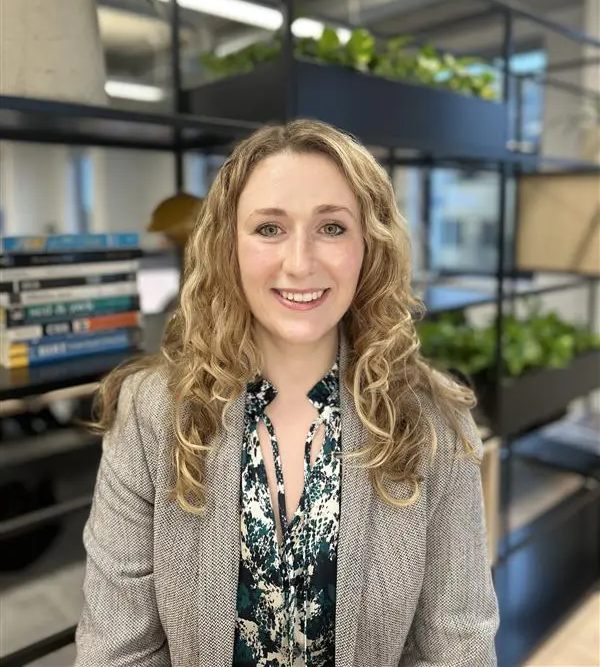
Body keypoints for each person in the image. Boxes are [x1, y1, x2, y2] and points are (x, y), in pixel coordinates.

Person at [75, 119, 499, 667]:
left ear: (370, 246)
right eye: (269, 228)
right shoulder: (152, 414)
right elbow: (117, 651)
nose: (300, 263)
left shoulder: (433, 427)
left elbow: (457, 651)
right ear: (228, 244)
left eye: (332, 228)